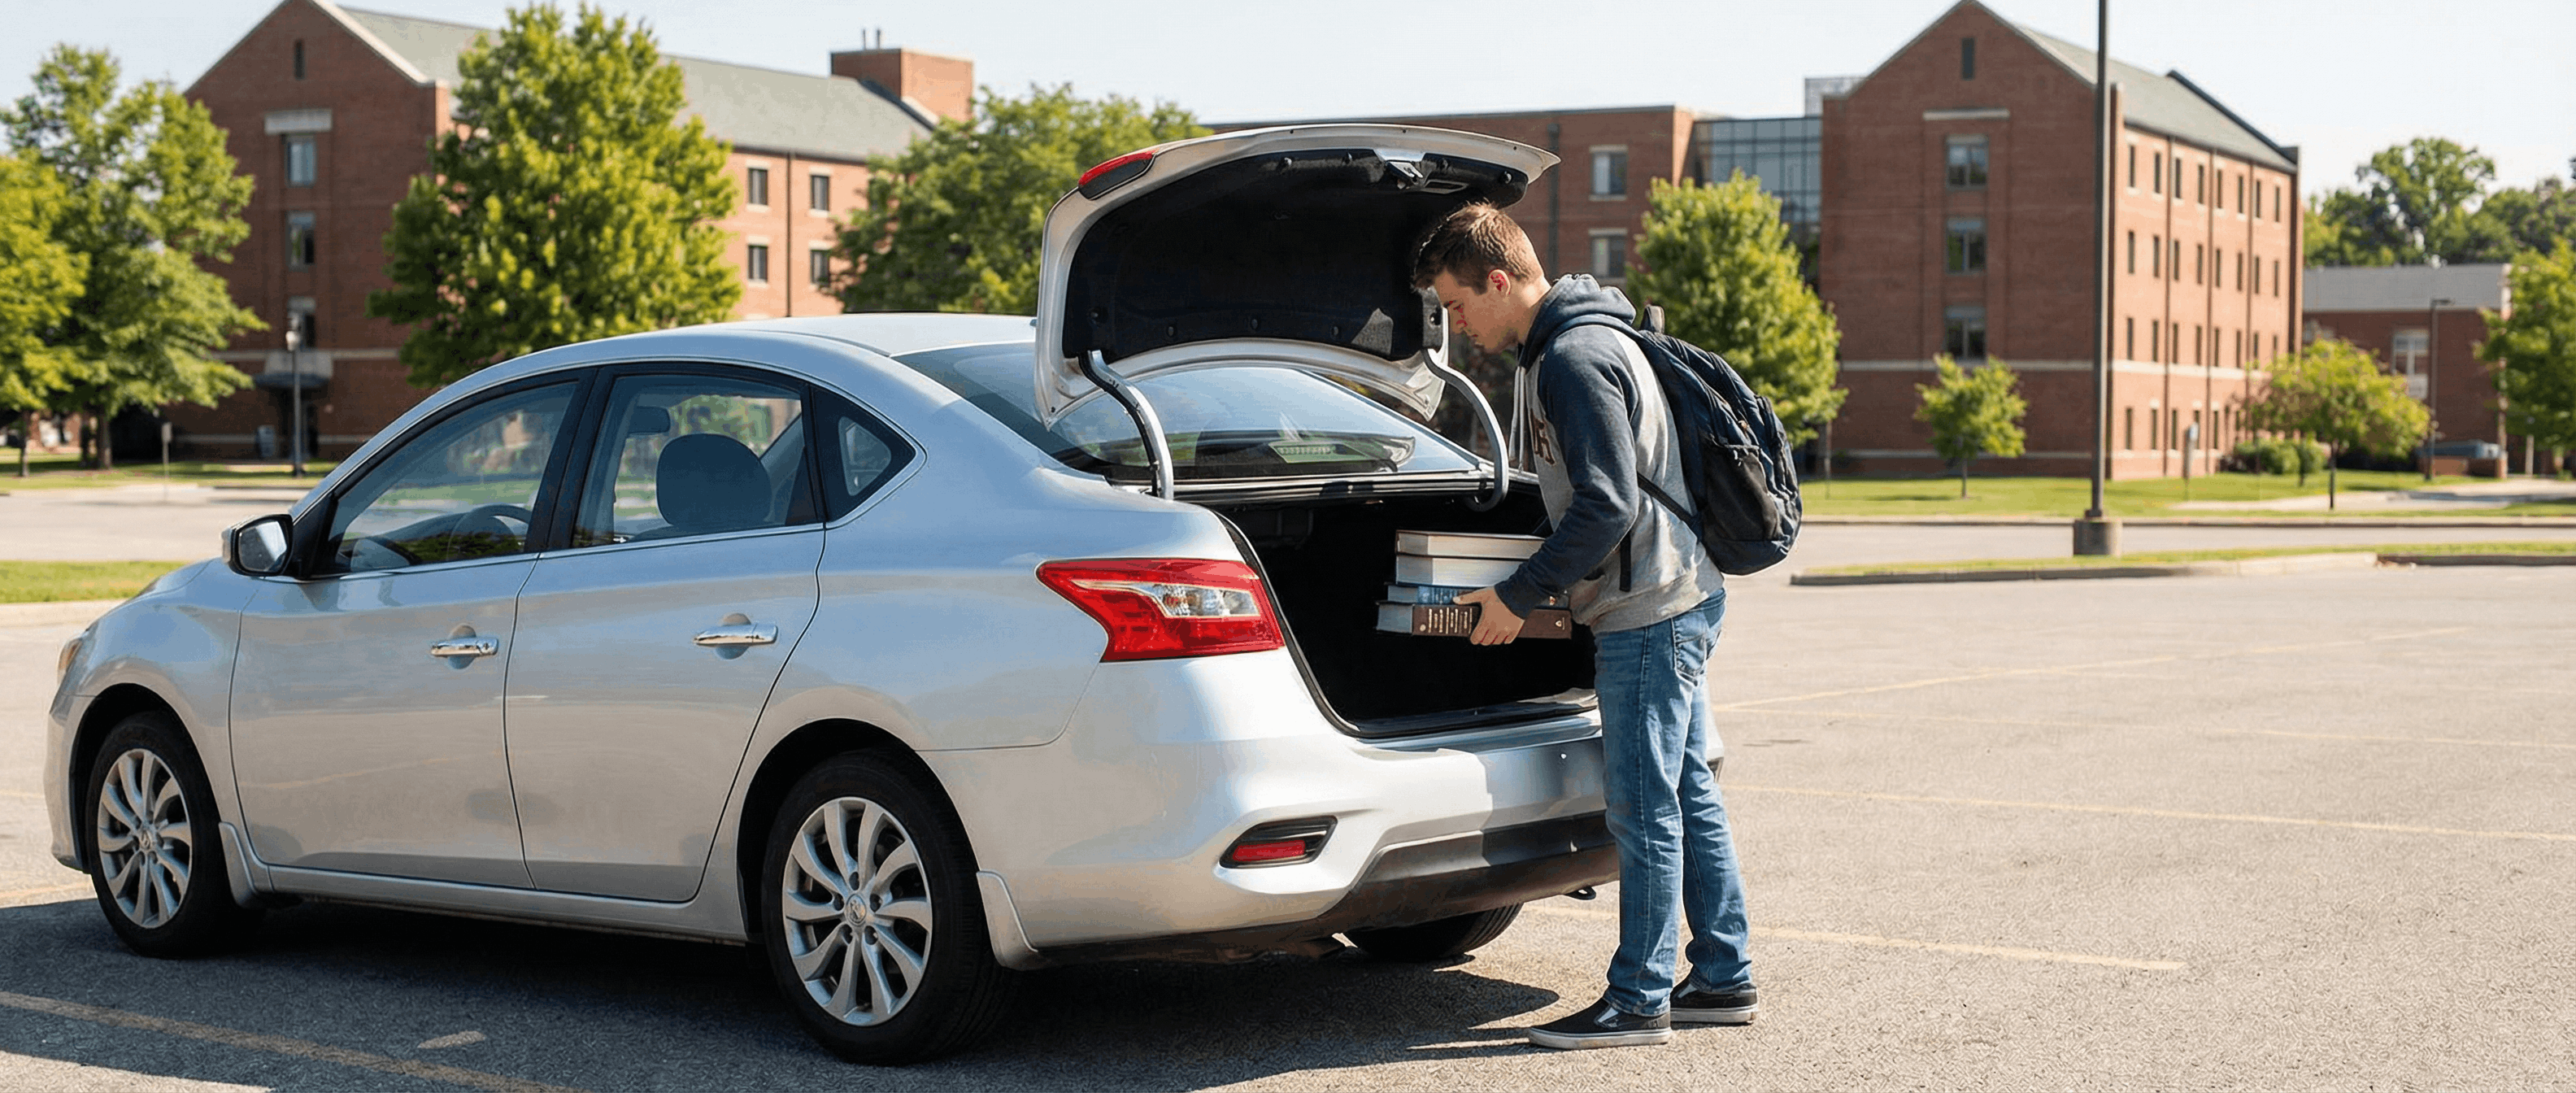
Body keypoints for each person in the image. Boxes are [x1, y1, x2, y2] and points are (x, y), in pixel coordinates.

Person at [1411, 203, 1756, 1051]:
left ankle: (1638, 1000)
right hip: (1675, 594)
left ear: (1499, 281)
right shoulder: (1578, 343)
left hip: (1650, 611)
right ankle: (1723, 975)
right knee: (1686, 791)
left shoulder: (1574, 357)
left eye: (1457, 305)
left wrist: (1519, 595)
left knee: (1643, 807)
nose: (1458, 325)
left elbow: (1607, 505)